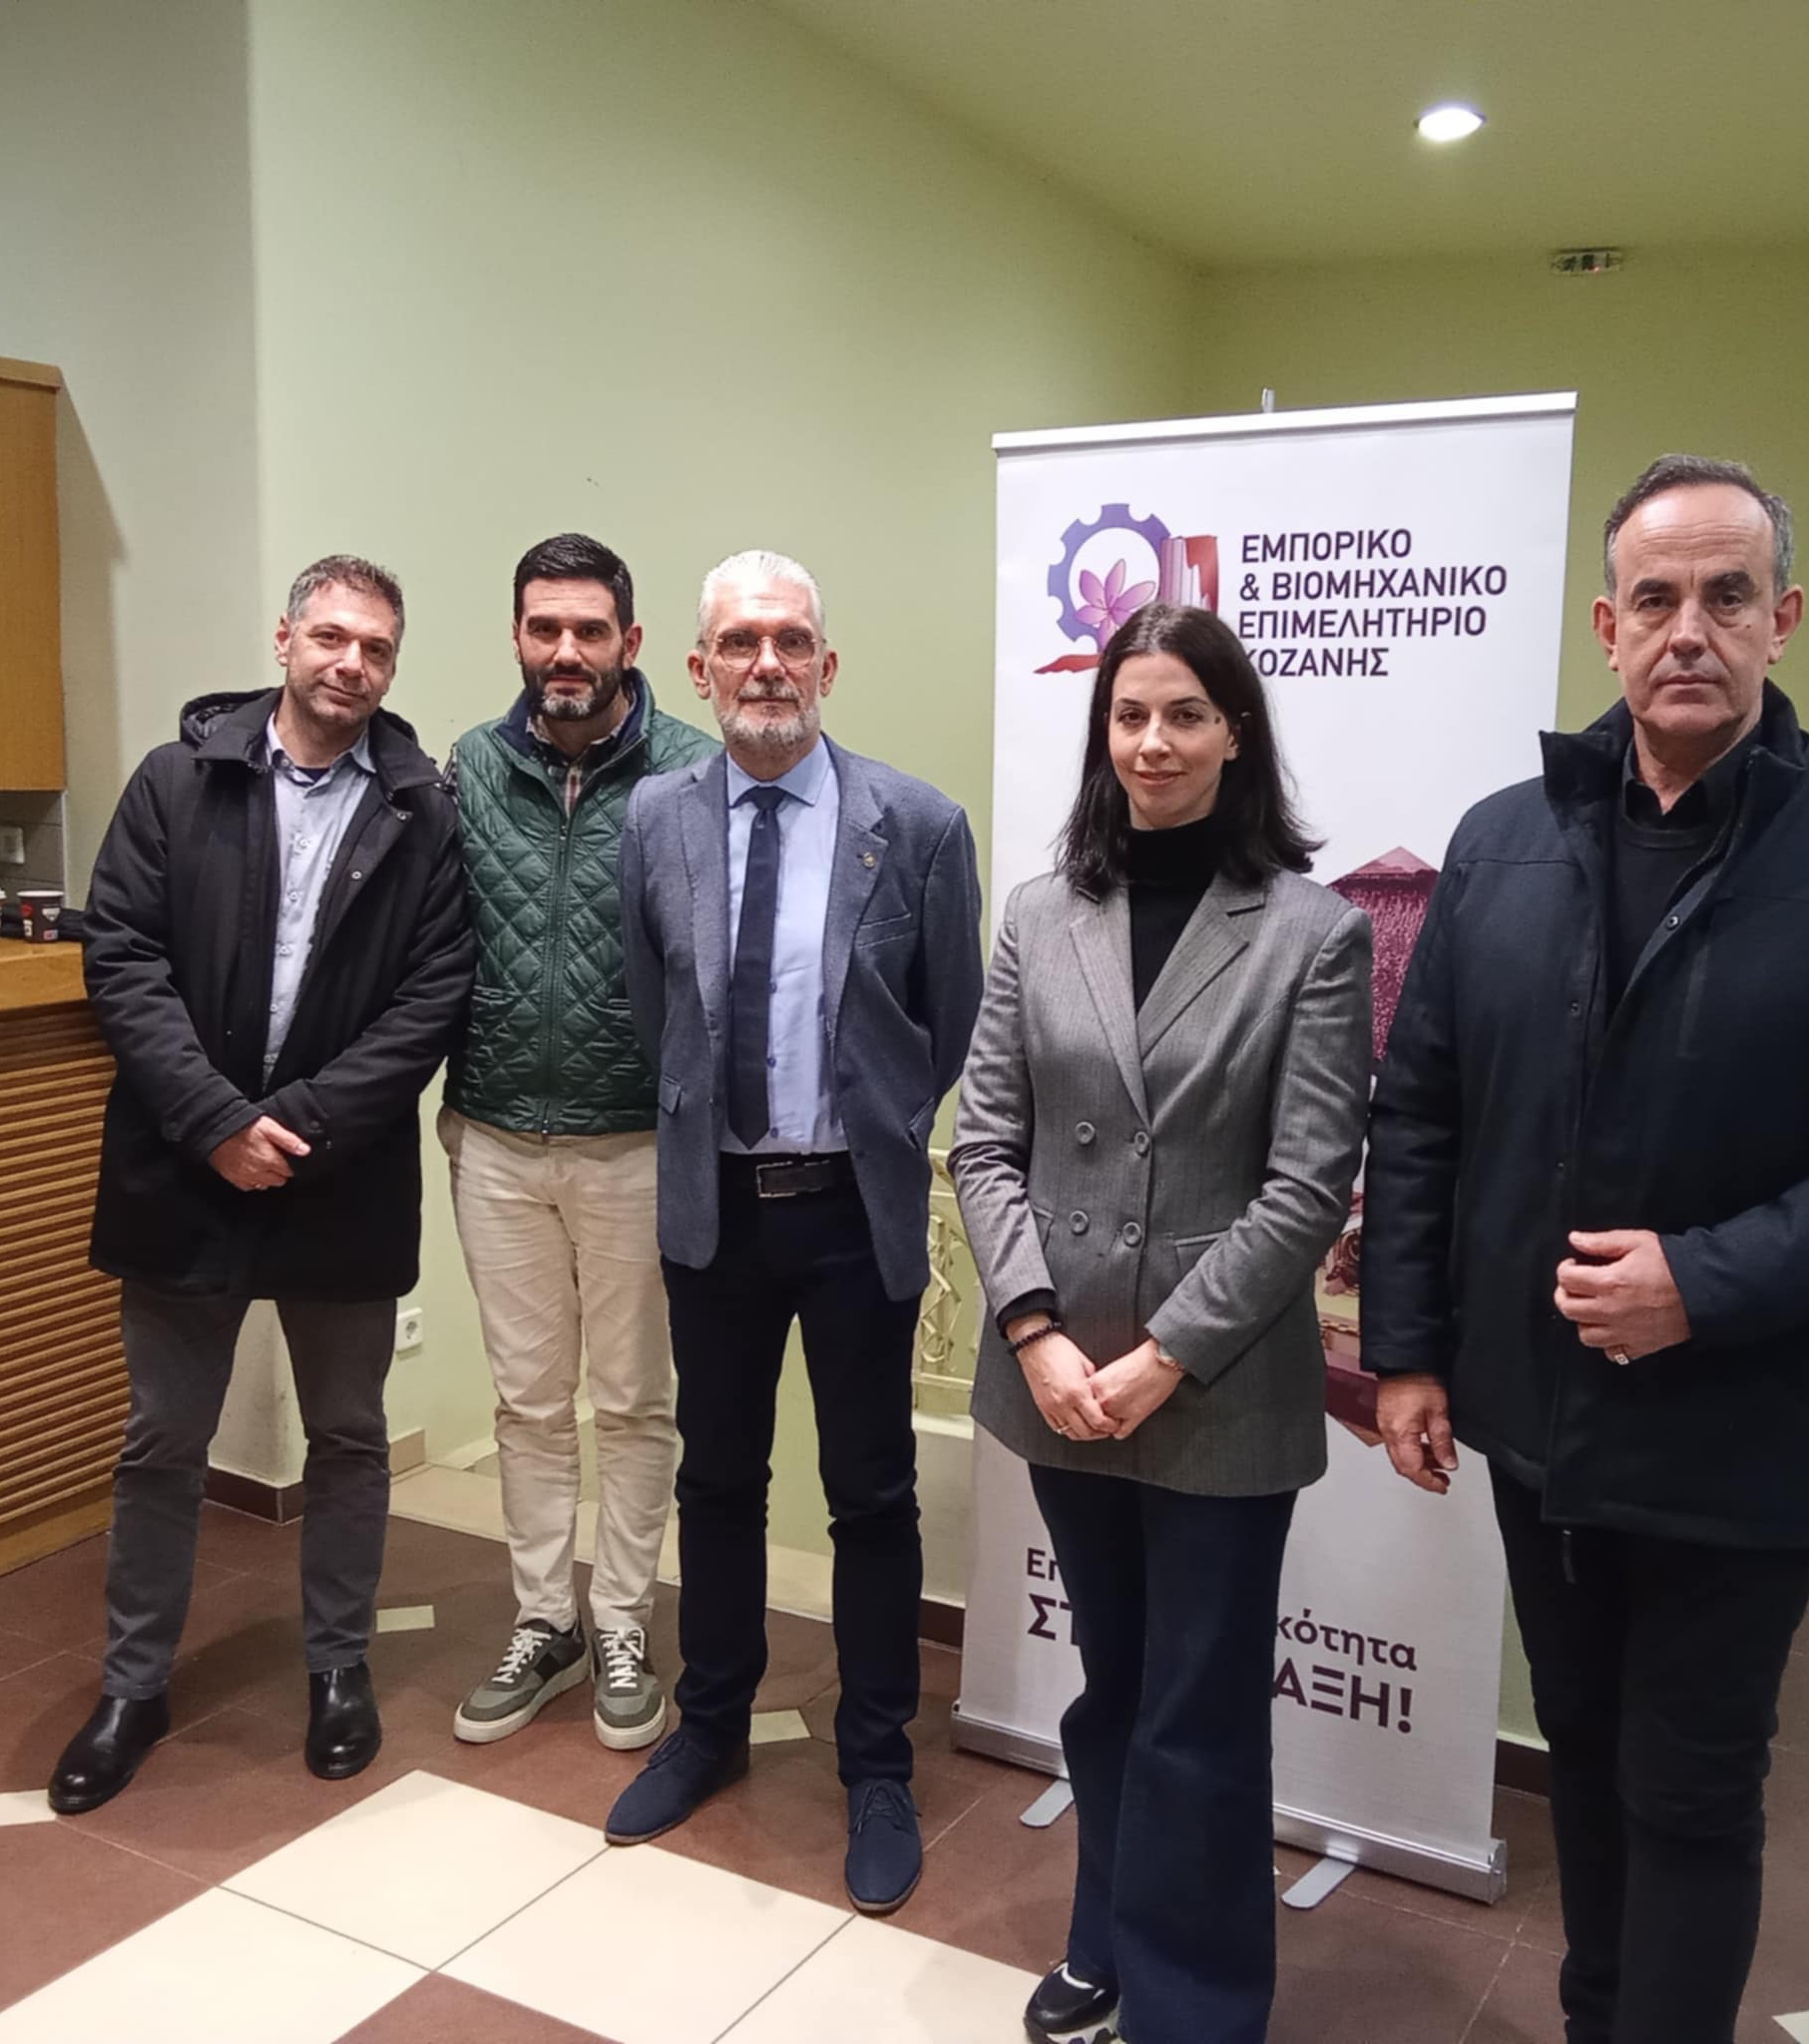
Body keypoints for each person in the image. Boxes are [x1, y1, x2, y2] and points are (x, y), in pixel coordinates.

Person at [1362, 455, 1809, 2044]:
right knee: (1589, 1758)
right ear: (1608, 626)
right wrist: (1407, 1351)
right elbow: (1421, 1115)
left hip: (1744, 1436)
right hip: (1538, 1428)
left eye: (1728, 595)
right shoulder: (1502, 843)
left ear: (1782, 619)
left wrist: (1704, 1281)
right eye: (1658, 598)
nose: (1692, 628)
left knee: (1690, 1790)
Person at [951, 603, 1373, 2044]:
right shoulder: (1038, 914)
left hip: (1217, 1387)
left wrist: (1164, 1355)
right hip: (1060, 1378)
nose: (1152, 741)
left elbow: (1307, 1185)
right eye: (1128, 715)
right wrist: (1034, 1332)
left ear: (1233, 732)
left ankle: (1197, 2005)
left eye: (1184, 713)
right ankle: (1107, 1934)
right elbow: (984, 1141)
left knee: (1199, 1705)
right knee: (1111, 1683)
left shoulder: (1311, 933)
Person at [48, 556, 473, 1814]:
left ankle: (338, 1666)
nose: (351, 663)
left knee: (348, 1435)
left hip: (340, 1176)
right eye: (331, 636)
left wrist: (299, 1122)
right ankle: (133, 1684)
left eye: (376, 647)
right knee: (162, 1439)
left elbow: (434, 993)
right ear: (284, 637)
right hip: (183, 1167)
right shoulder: (176, 781)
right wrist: (216, 1120)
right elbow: (121, 955)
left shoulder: (421, 808)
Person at [607, 549, 984, 1913]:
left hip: (851, 1212)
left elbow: (947, 1021)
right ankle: (710, 1723)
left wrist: (865, 1123)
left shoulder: (918, 823)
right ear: (698, 667)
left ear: (827, 664)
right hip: (714, 1210)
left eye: (790, 641)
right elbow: (656, 1007)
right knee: (717, 1481)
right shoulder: (656, 817)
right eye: (739, 642)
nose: (765, 664)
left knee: (870, 1494)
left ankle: (875, 1761)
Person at [442, 533, 716, 1753]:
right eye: (544, 627)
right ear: (516, 636)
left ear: (630, 643)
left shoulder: (690, 770)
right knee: (525, 1400)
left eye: (588, 629)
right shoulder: (468, 766)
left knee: (634, 1401)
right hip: (493, 1133)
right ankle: (543, 1617)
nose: (565, 650)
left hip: (633, 1141)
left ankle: (620, 1621)